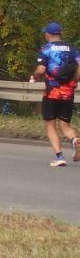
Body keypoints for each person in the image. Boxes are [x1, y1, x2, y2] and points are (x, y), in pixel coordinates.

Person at [31, 22, 79, 167]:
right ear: (59, 33)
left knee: (50, 125)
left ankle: (60, 157)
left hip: (52, 93)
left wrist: (35, 76)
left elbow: (40, 70)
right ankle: (75, 140)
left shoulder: (46, 49)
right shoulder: (71, 48)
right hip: (68, 93)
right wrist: (75, 80)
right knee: (65, 125)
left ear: (48, 34)